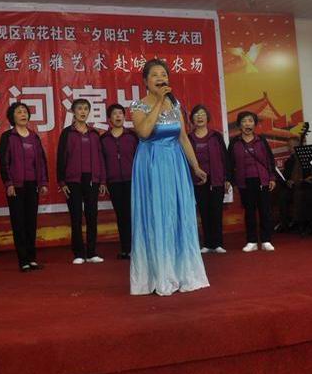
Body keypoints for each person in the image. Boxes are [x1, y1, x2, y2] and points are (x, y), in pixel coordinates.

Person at [129, 59, 210, 296]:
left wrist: (195, 166)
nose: (160, 78)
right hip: (151, 164)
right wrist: (158, 102)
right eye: (155, 75)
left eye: (163, 74)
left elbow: (183, 137)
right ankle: (158, 274)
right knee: (156, 214)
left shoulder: (175, 105)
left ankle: (183, 272)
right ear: (145, 81)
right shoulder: (138, 105)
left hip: (175, 164)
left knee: (178, 214)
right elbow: (144, 132)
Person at [0, 102, 49, 272]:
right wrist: (8, 183)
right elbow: (4, 162)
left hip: (32, 185)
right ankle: (23, 260)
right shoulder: (8, 136)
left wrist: (43, 182)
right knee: (18, 222)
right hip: (16, 186)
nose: (23, 114)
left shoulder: (34, 137)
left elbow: (41, 161)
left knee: (31, 222)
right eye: (19, 112)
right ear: (12, 117)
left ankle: (32, 258)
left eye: (25, 112)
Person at [57, 99, 106, 264]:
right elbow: (61, 158)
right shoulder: (67, 133)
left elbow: (100, 157)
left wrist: (102, 181)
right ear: (73, 111)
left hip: (92, 180)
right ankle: (78, 253)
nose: (83, 112)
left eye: (86, 109)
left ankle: (92, 252)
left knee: (92, 216)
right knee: (76, 216)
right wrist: (62, 182)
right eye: (79, 109)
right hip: (73, 181)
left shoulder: (94, 134)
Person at [228, 112, 277, 252]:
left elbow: (270, 160)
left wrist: (272, 177)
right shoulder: (234, 142)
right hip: (244, 182)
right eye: (244, 121)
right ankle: (252, 241)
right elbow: (229, 163)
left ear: (255, 124)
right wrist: (231, 181)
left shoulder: (261, 140)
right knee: (249, 212)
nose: (247, 124)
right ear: (239, 125)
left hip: (262, 180)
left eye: (250, 121)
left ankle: (266, 240)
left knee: (265, 211)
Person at [188, 104, 230, 254]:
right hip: (198, 180)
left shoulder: (216, 136)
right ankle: (207, 243)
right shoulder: (188, 138)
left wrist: (227, 178)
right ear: (192, 119)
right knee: (203, 211)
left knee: (216, 211)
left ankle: (218, 243)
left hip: (216, 179)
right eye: (196, 114)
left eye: (202, 114)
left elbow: (225, 157)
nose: (199, 117)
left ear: (207, 118)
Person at [100, 103, 138, 260]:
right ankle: (126, 249)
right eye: (115, 114)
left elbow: (140, 158)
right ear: (109, 118)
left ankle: (138, 248)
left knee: (135, 215)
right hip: (114, 182)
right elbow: (101, 162)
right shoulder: (103, 139)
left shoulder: (132, 136)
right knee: (121, 215)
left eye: (121, 113)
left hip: (132, 181)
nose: (118, 116)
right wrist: (103, 181)